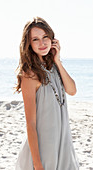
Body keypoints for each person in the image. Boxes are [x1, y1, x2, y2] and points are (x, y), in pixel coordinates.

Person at [15, 17, 79, 170]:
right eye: (35, 39)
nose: (42, 43)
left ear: (52, 39)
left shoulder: (55, 68)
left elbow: (72, 90)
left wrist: (57, 60)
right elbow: (30, 123)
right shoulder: (29, 75)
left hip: (63, 145)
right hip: (43, 151)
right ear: (29, 44)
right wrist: (38, 165)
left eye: (45, 37)